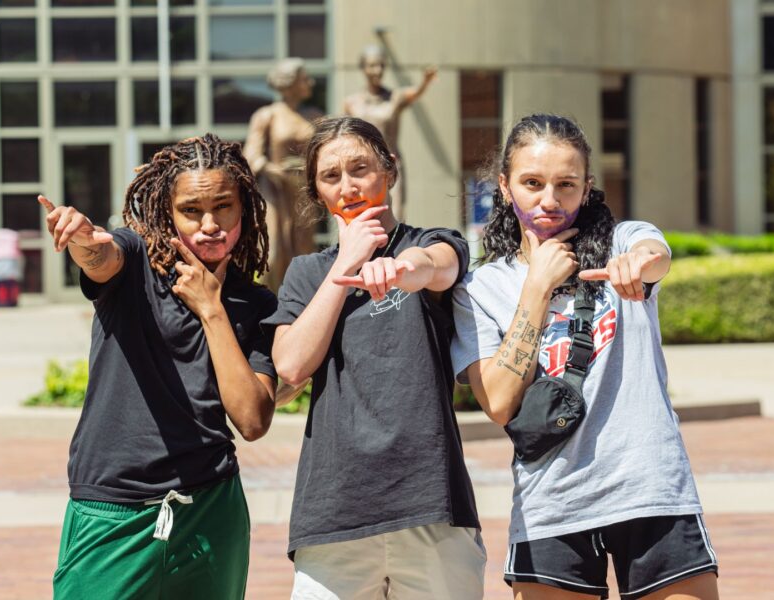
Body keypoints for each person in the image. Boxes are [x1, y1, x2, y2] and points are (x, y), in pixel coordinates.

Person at [451, 114, 719, 600]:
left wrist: (639, 264)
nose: (549, 200)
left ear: (587, 188)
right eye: (532, 183)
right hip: (551, 504)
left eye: (566, 185)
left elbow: (654, 252)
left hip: (650, 489)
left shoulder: (621, 242)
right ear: (505, 187)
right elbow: (499, 402)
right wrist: (537, 286)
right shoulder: (482, 288)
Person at [40, 134, 277, 599]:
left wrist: (212, 309)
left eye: (223, 207)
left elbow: (251, 419)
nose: (209, 224)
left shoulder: (255, 304)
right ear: (167, 213)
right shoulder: (134, 266)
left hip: (211, 510)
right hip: (114, 510)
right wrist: (84, 241)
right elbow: (102, 258)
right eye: (191, 210)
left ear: (243, 209)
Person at [262, 116, 485, 599]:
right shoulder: (306, 273)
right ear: (317, 191)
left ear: (389, 170)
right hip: (334, 513)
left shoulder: (429, 243)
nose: (348, 186)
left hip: (431, 505)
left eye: (360, 168)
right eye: (330, 176)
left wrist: (405, 269)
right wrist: (346, 263)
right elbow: (292, 366)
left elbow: (441, 267)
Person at [244, 57, 323, 289]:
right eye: (304, 78)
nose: (310, 82)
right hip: (275, 189)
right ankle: (269, 304)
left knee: (304, 252)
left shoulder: (314, 115)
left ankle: (302, 302)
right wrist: (270, 168)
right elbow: (251, 154)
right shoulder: (267, 115)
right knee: (273, 251)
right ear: (290, 83)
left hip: (303, 188)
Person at [343, 44, 437, 222]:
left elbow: (415, 92)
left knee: (396, 214)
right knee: (364, 215)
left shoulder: (395, 97)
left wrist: (425, 81)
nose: (377, 70)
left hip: (390, 164)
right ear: (363, 68)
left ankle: (398, 250)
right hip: (361, 168)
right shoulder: (351, 103)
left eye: (381, 66)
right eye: (372, 66)